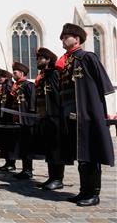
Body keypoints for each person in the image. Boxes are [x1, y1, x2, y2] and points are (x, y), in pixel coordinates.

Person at [57, 23, 115, 206]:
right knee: (82, 156)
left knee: (92, 153)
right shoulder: (68, 61)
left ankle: (93, 193)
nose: (63, 39)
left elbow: (102, 83)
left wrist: (99, 111)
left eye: (66, 36)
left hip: (89, 113)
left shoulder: (87, 57)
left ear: (77, 38)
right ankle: (84, 191)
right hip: (73, 115)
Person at [34, 47, 68, 190]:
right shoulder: (45, 76)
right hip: (46, 117)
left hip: (55, 117)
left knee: (56, 149)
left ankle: (58, 179)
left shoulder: (53, 74)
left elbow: (56, 96)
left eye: (40, 58)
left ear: (47, 59)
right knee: (49, 149)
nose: (37, 61)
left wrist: (55, 115)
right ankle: (51, 177)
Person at [10, 62, 38, 180]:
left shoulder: (28, 85)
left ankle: (28, 170)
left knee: (27, 146)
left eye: (15, 72)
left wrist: (30, 116)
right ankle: (24, 169)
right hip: (19, 120)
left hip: (27, 120)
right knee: (22, 146)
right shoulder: (17, 86)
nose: (13, 74)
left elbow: (32, 101)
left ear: (21, 73)